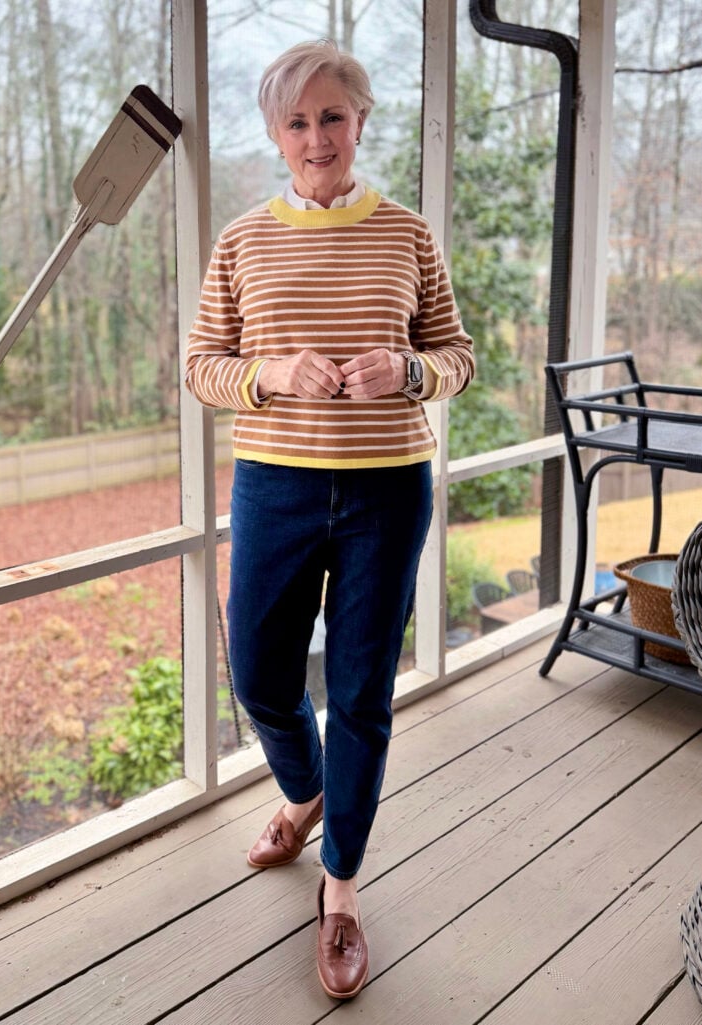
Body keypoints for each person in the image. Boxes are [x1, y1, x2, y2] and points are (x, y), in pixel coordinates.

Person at [185, 38, 474, 1000]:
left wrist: (413, 371)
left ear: (361, 121)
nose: (317, 137)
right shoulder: (240, 240)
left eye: (333, 116)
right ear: (275, 133)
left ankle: (341, 888)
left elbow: (457, 353)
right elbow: (200, 367)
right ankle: (303, 792)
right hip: (275, 483)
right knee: (261, 672)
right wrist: (268, 372)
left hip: (387, 487)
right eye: (298, 121)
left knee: (359, 694)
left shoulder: (406, 235)